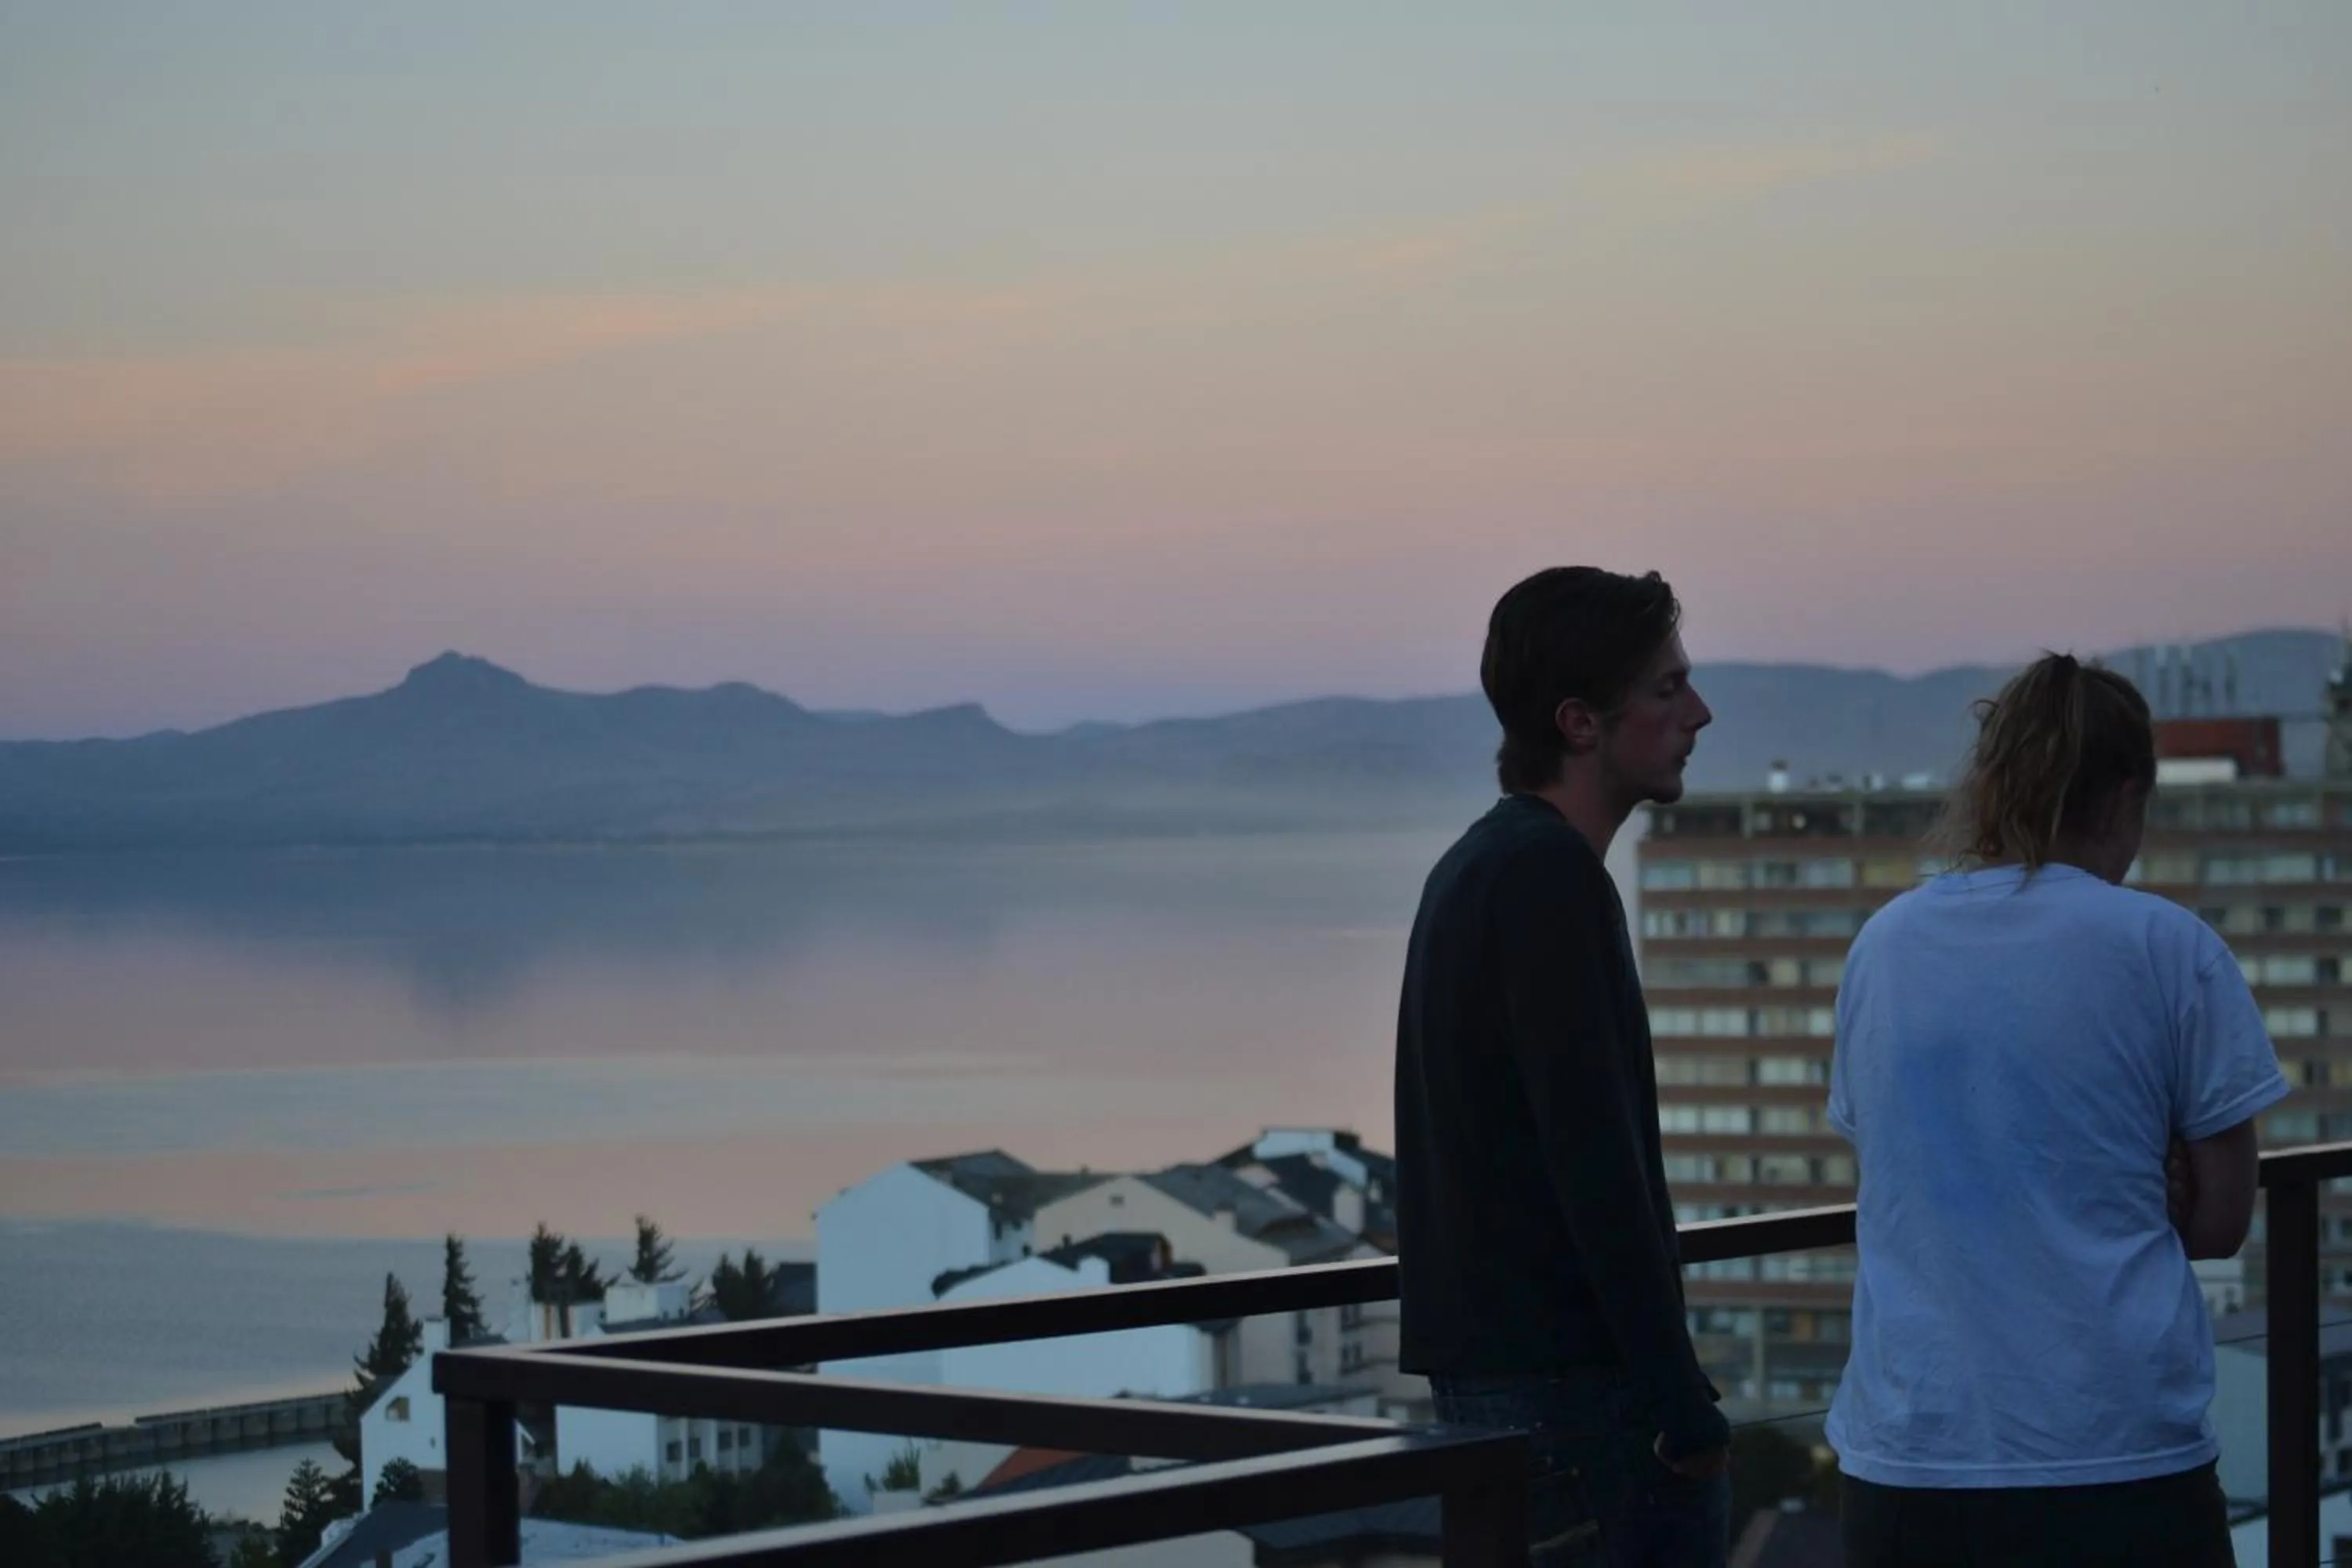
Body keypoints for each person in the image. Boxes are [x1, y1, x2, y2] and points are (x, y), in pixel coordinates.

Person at [1827, 653, 2288, 1567]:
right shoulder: (2169, 945)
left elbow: (1902, 1162)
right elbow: (2223, 1221)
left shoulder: (1883, 945)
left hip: (1914, 1458)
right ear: (2125, 796)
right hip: (2117, 1452)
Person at [1396, 565, 1730, 1566]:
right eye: (1668, 689)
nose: (1700, 712)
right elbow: (1596, 1159)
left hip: (1503, 1388)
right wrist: (1685, 1403)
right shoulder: (1548, 880)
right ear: (1581, 721)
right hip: (1579, 1402)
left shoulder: (1481, 865)